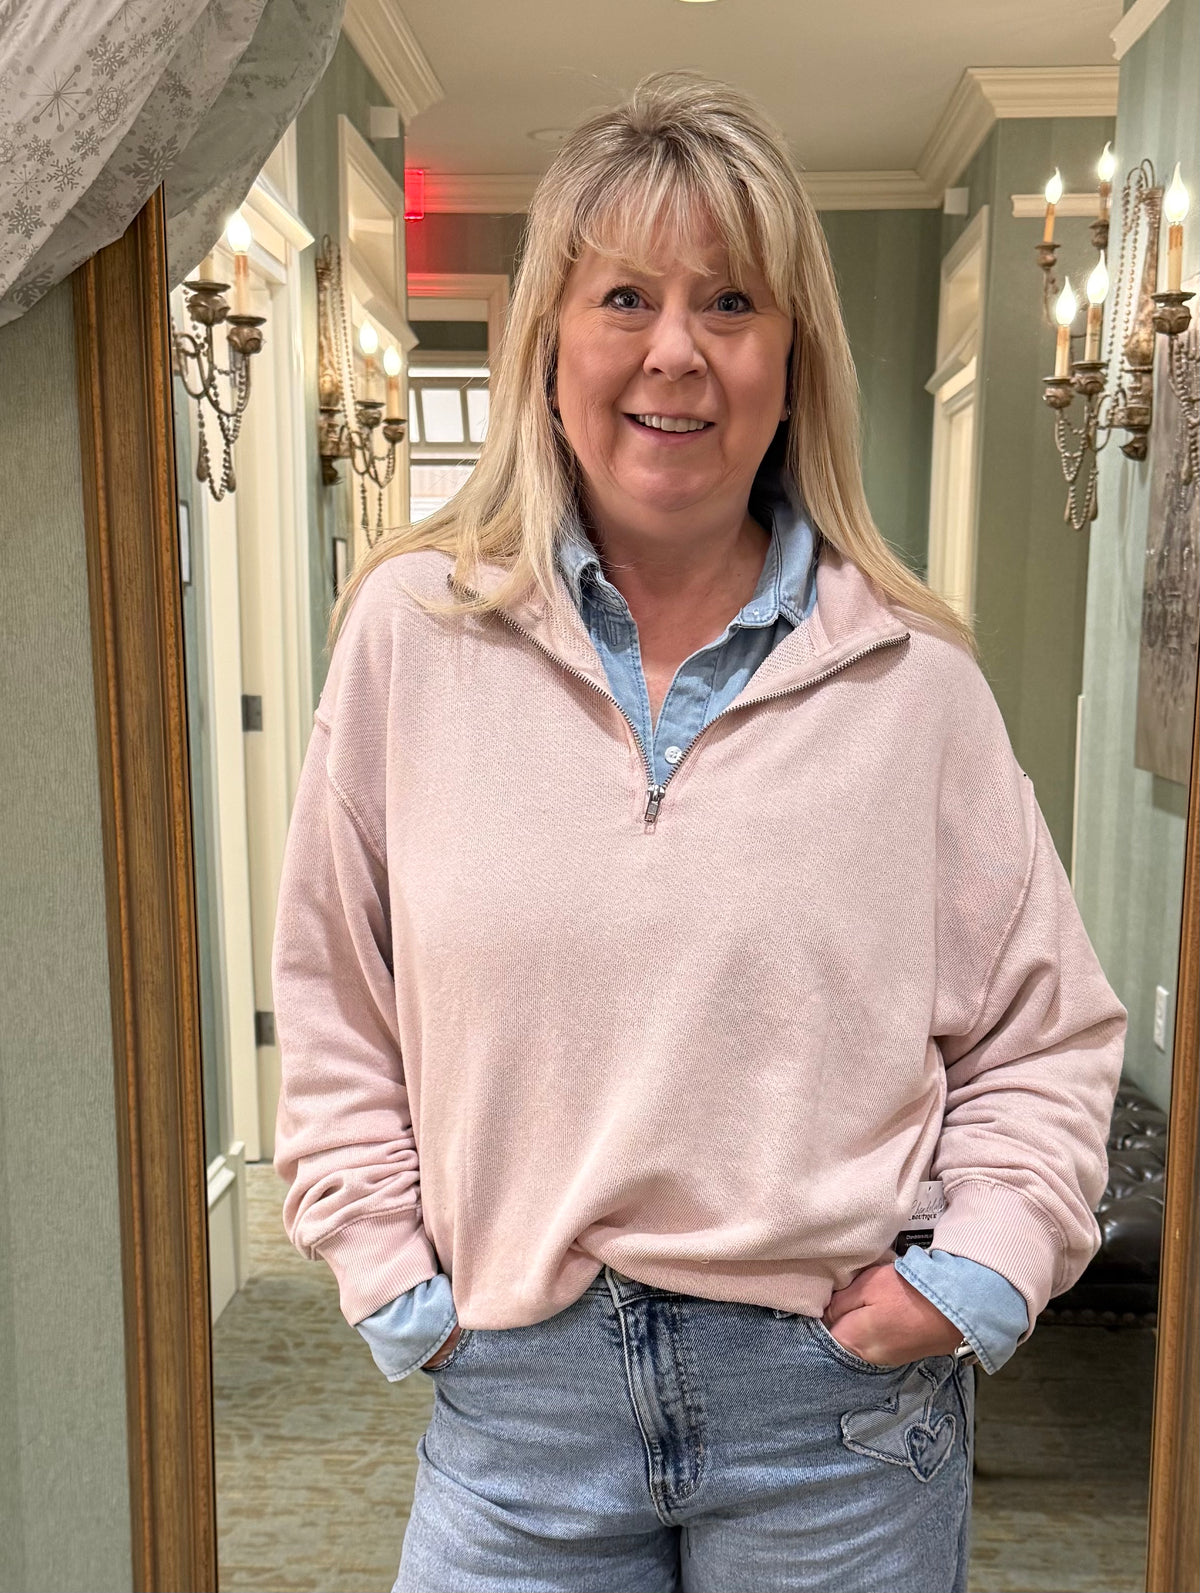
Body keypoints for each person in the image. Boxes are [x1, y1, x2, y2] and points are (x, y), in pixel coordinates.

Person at [272, 71, 1126, 1593]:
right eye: (625, 298)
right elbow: (336, 995)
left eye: (730, 301)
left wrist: (982, 1268)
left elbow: (1042, 1034)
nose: (676, 349)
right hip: (518, 1407)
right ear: (547, 347)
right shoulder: (411, 634)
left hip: (837, 1418)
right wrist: (392, 1276)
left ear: (792, 362)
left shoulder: (914, 680)